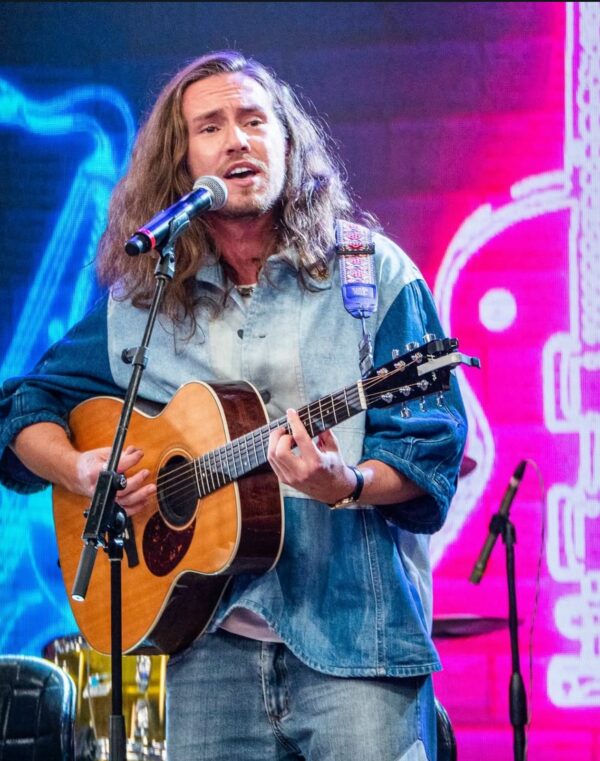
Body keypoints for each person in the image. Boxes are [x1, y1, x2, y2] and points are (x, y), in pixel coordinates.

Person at [0, 51, 467, 761]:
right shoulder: (146, 301)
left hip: (356, 642)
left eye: (254, 121)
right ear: (182, 162)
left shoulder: (371, 273)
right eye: (211, 127)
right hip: (204, 647)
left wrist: (345, 484)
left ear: (287, 143)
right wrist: (76, 469)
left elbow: (428, 446)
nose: (237, 140)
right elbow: (25, 402)